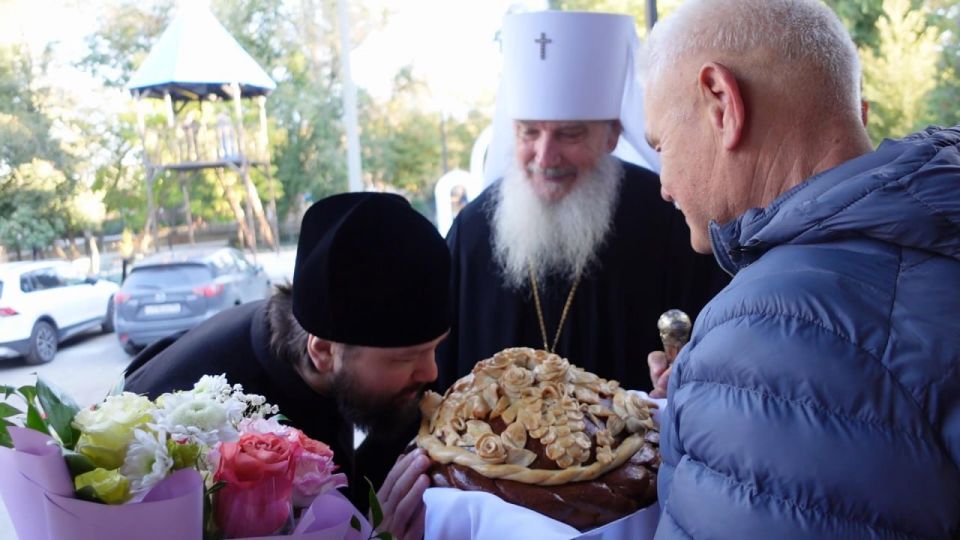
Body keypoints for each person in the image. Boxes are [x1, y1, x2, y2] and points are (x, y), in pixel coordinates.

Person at [641, 0, 960, 537]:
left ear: (721, 101)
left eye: (661, 145)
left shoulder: (769, 332)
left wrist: (727, 387)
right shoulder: (933, 233)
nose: (663, 184)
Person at [125, 193, 449, 540]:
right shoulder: (210, 427)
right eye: (404, 358)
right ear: (323, 351)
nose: (430, 372)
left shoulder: (330, 367)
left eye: (436, 348)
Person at [437, 10, 729, 393]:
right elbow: (439, 380)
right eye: (529, 133)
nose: (544, 156)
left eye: (569, 135)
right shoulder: (472, 232)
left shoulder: (673, 221)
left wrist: (683, 380)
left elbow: (720, 355)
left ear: (611, 135)